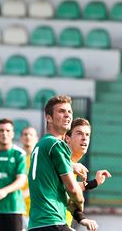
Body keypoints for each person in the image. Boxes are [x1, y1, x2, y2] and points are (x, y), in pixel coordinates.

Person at [28, 95, 84, 231]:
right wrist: (80, 204)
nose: (67, 115)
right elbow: (72, 189)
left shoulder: (40, 145)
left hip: (36, 224)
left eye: (69, 112)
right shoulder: (56, 144)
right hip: (52, 221)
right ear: (48, 118)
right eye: (61, 111)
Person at [64, 118, 112, 230]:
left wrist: (94, 183)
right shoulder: (63, 161)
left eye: (87, 134)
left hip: (62, 222)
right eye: (79, 133)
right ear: (67, 138)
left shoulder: (72, 164)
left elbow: (66, 189)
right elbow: (70, 190)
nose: (84, 138)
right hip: (52, 223)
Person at [20, 127, 39, 229]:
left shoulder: (40, 160)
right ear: (21, 138)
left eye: (31, 134)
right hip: (17, 210)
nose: (28, 137)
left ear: (37, 138)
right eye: (25, 134)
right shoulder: (17, 159)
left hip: (35, 212)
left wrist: (23, 194)